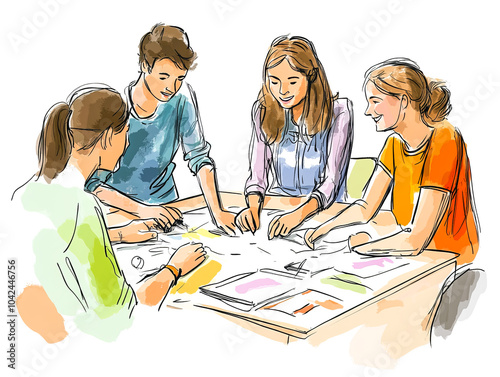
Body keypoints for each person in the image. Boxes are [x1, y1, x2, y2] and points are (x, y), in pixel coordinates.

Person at [14, 85, 207, 341]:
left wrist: (116, 235)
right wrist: (174, 268)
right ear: (106, 138)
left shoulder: (29, 193)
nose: (127, 143)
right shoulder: (82, 206)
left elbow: (62, 242)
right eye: (125, 133)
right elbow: (123, 316)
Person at [305, 58, 479, 265]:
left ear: (403, 101)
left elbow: (416, 241)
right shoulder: (394, 143)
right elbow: (365, 208)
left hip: (447, 259)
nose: (368, 111)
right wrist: (325, 228)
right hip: (409, 253)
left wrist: (357, 248)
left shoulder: (445, 139)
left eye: (375, 101)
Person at [85, 24, 237, 235]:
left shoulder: (182, 99)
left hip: (166, 207)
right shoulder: (116, 106)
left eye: (179, 78)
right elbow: (92, 182)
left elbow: (199, 158)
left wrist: (217, 212)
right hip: (118, 212)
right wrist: (143, 211)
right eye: (164, 76)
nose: (171, 87)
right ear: (145, 66)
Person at [235, 36, 353, 239]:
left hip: (324, 214)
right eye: (274, 81)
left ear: (311, 77)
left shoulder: (339, 112)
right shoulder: (262, 111)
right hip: (278, 209)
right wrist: (253, 208)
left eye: (292, 81)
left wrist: (298, 216)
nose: (282, 91)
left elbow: (331, 181)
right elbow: (257, 174)